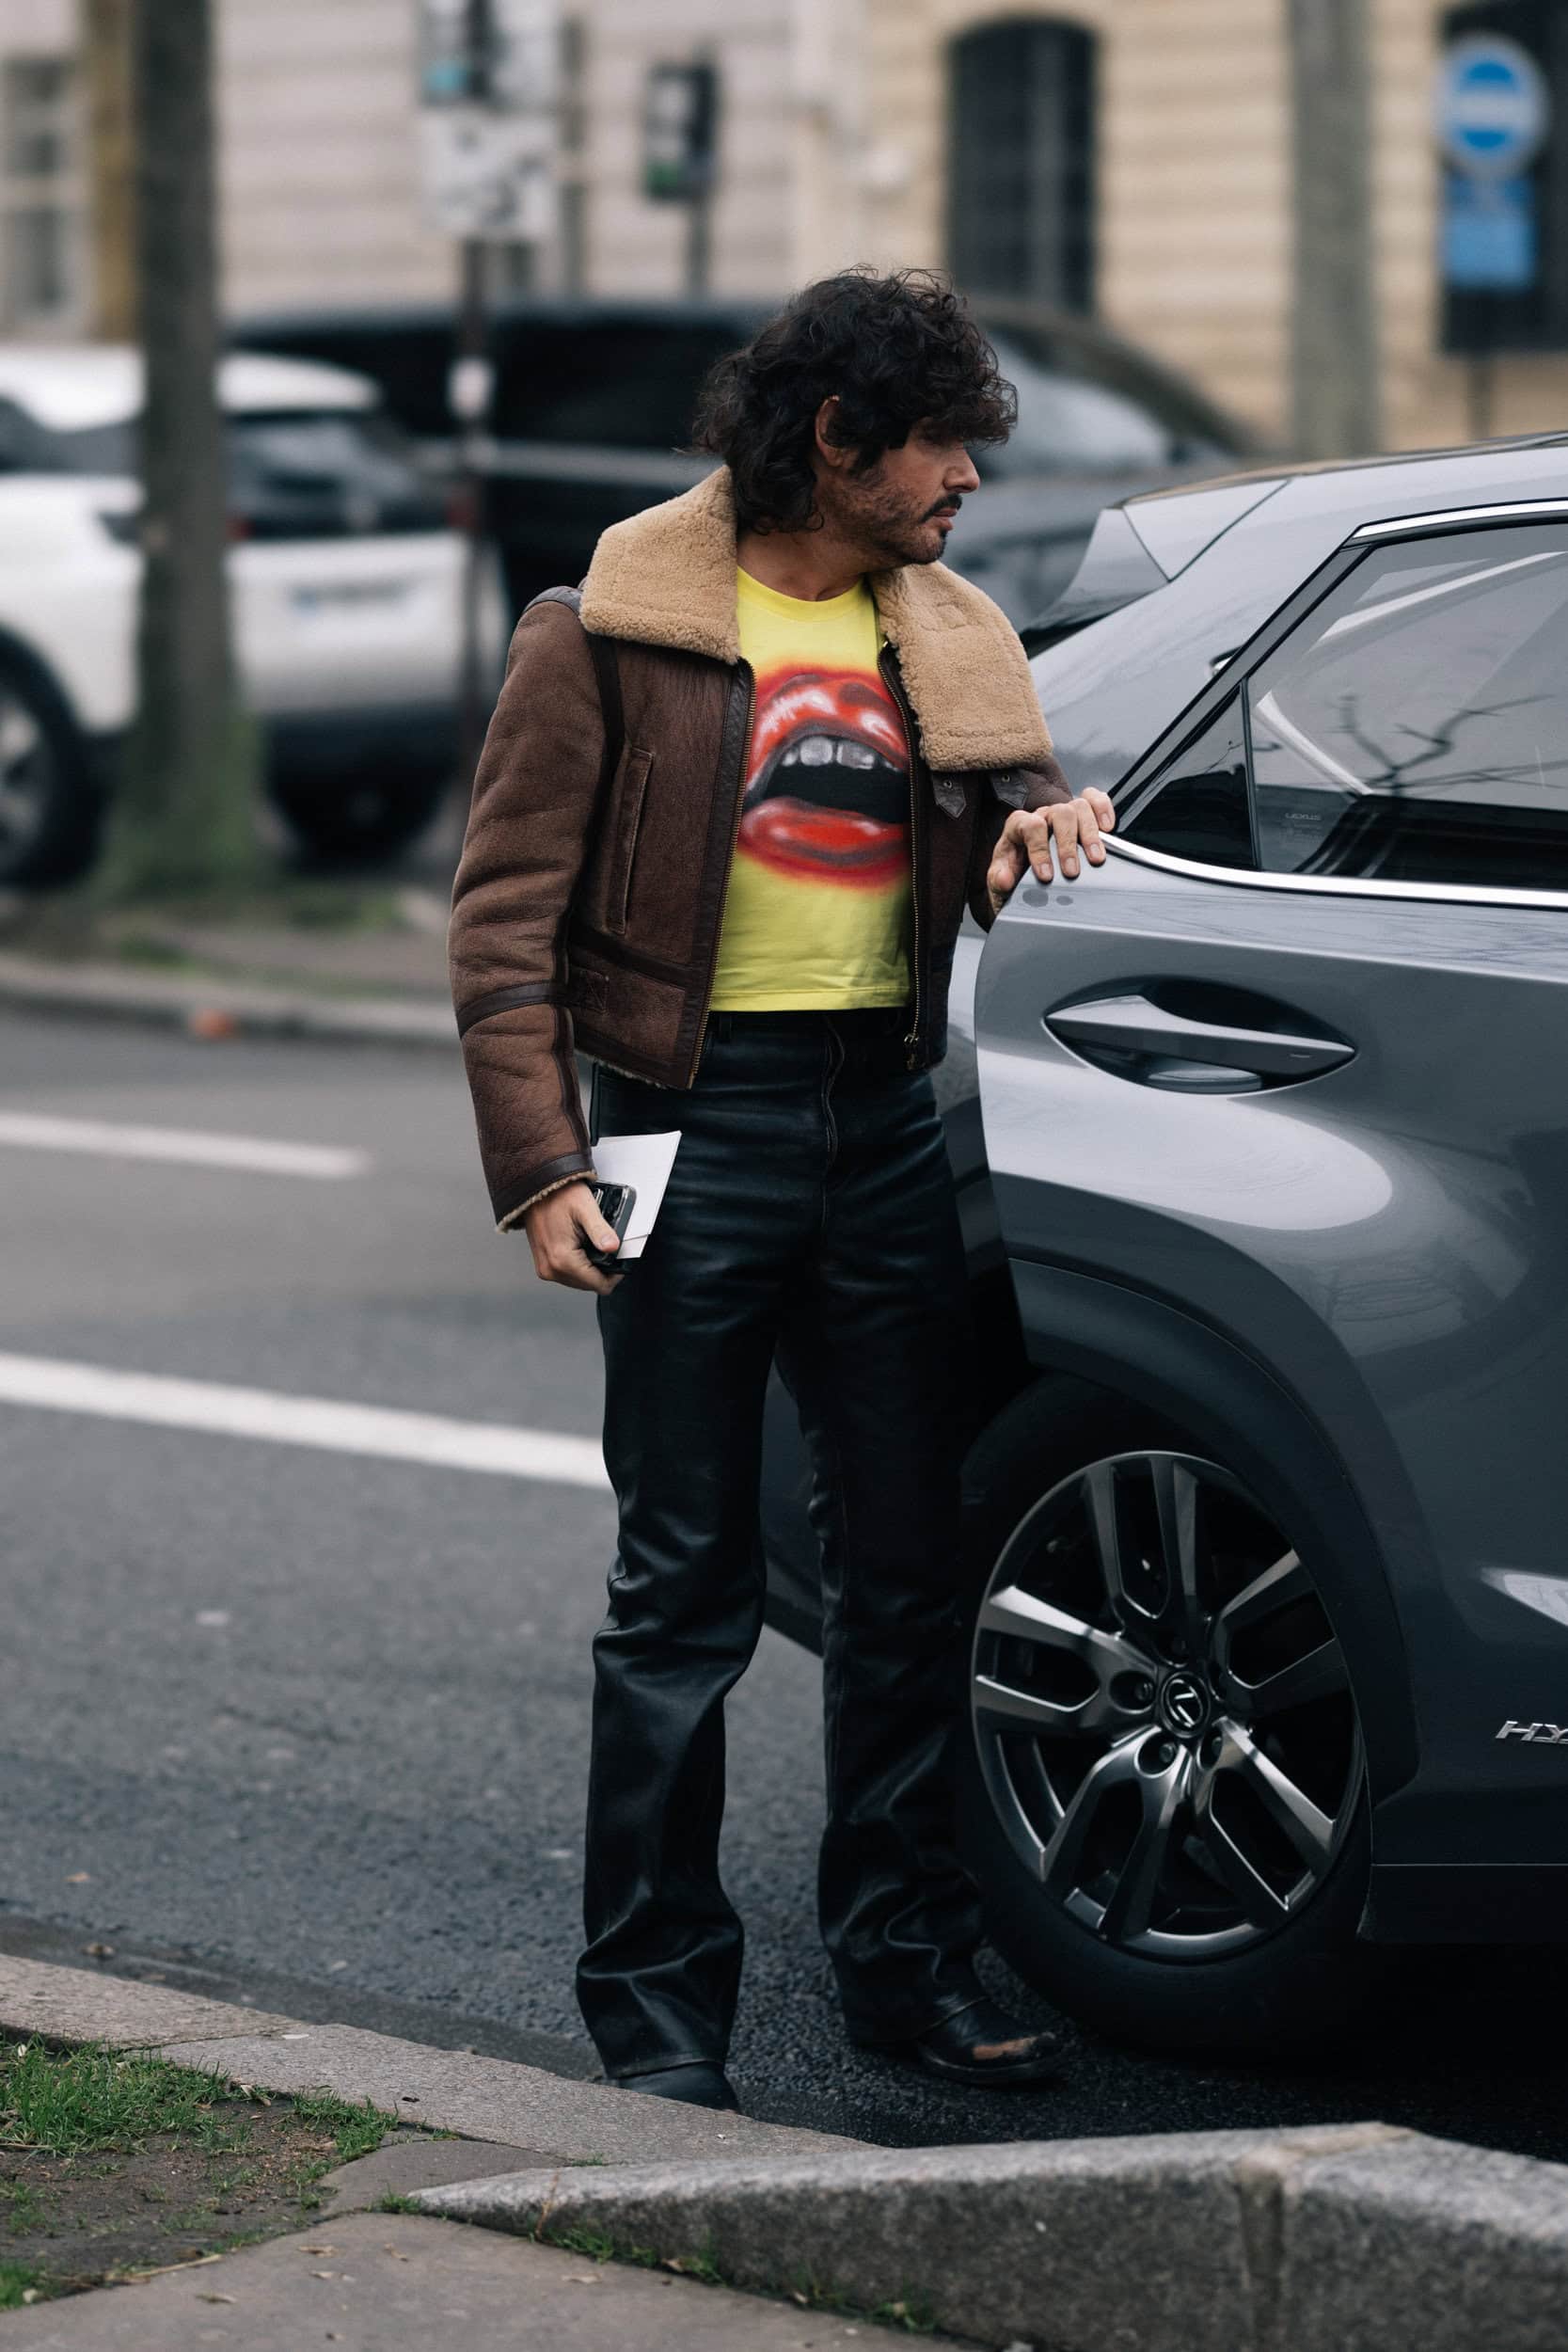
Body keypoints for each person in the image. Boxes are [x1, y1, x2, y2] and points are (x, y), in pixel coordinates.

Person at [449, 268, 1115, 2113]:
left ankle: (905, 1960)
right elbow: (502, 918)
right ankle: (657, 2006)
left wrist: (1039, 836)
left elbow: (993, 840)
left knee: (907, 1572)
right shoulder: (610, 629)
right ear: (836, 438)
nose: (967, 480)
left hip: (883, 1127)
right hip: (687, 1123)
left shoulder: (948, 640)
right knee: (681, 1590)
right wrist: (539, 1162)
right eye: (942, 443)